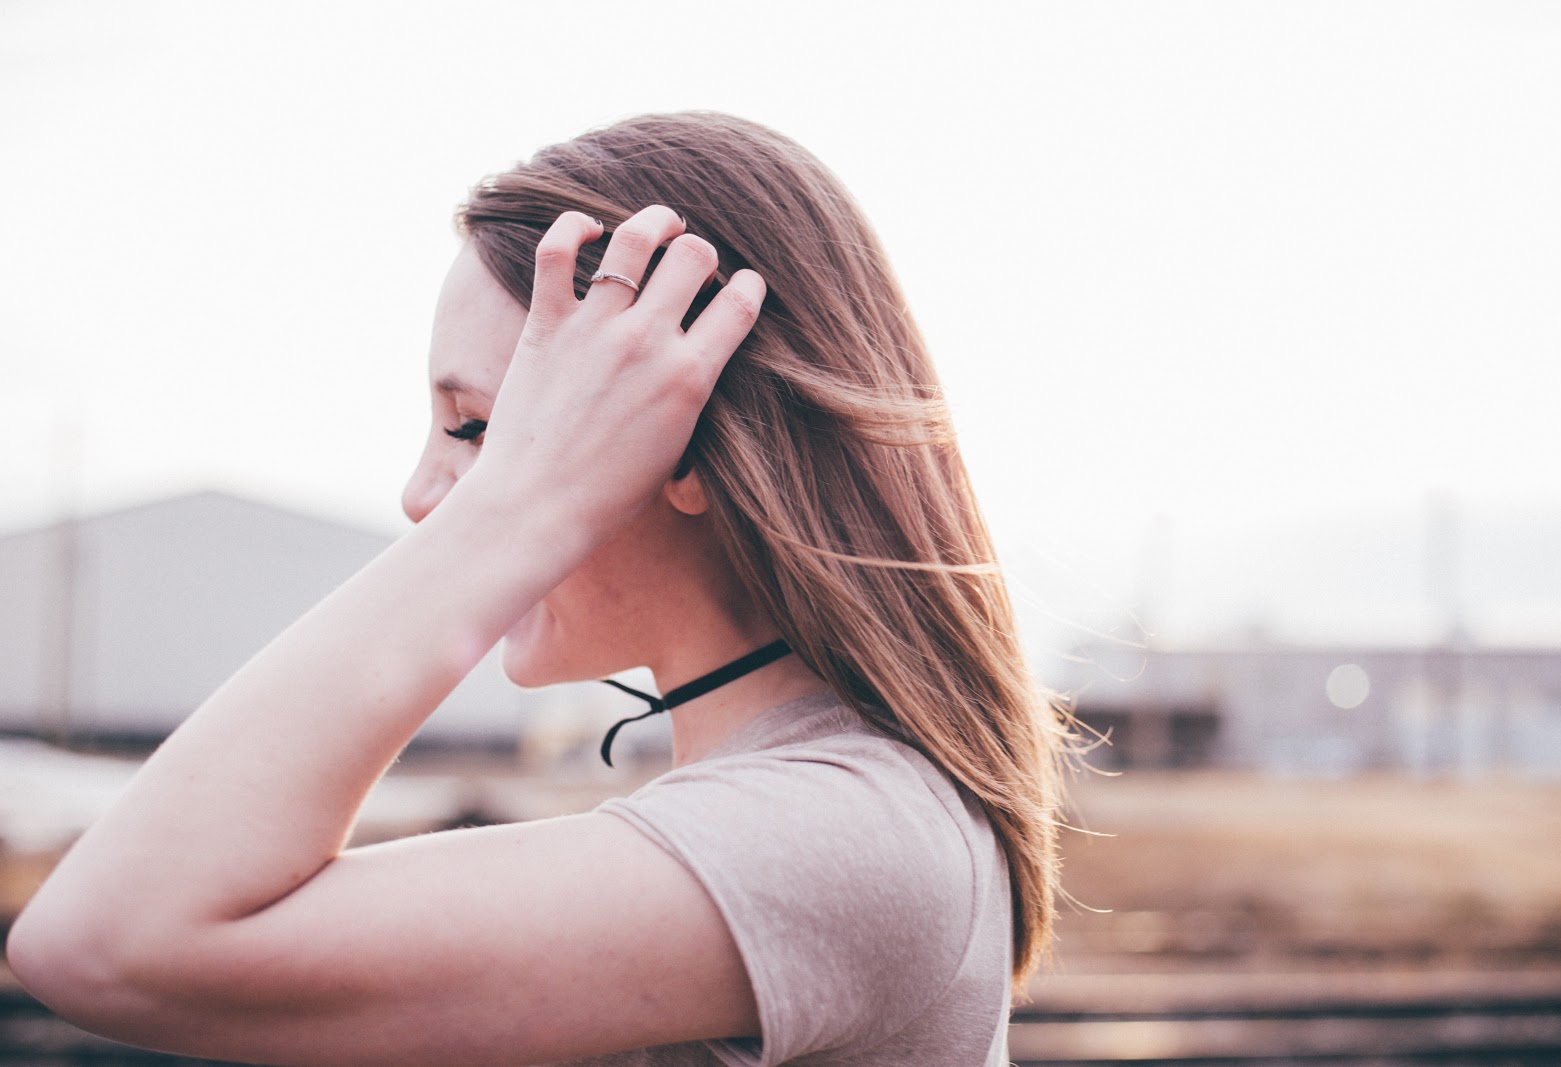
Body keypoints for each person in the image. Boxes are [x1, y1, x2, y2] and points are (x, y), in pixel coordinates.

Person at [7, 111, 1078, 1065]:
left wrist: (518, 506)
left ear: (694, 444)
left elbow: (107, 941)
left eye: (483, 427)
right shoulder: (814, 806)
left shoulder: (840, 833)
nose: (429, 494)